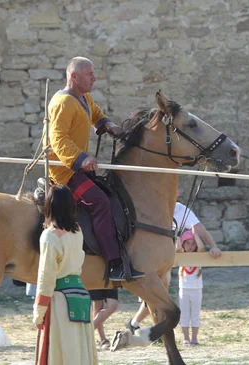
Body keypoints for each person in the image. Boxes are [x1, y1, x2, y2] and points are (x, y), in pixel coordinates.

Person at [46, 56, 143, 282]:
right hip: (64, 171)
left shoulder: (83, 97)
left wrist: (108, 125)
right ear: (73, 77)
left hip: (76, 167)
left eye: (93, 73)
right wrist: (81, 159)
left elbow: (96, 114)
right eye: (89, 74)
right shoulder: (63, 103)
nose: (94, 78)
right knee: (100, 202)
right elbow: (57, 138)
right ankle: (114, 264)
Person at [125, 199, 221, 333]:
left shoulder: (181, 210)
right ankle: (145, 326)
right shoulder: (149, 205)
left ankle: (137, 324)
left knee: (158, 294)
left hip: (165, 261)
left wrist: (213, 246)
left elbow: (199, 229)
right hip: (147, 258)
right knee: (154, 295)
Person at [33, 184, 97, 365]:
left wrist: (39, 311)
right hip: (82, 296)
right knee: (80, 353)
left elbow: (46, 276)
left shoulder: (49, 236)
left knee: (62, 354)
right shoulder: (77, 231)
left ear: (49, 206)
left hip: (60, 301)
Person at [176, 230, 204, 346]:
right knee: (184, 314)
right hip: (184, 290)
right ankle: (186, 338)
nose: (191, 246)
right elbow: (177, 249)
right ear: (183, 244)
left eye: (193, 243)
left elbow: (201, 247)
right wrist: (177, 236)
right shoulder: (181, 255)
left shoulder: (199, 256)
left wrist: (195, 233)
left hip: (197, 290)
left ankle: (194, 338)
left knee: (195, 314)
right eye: (187, 243)